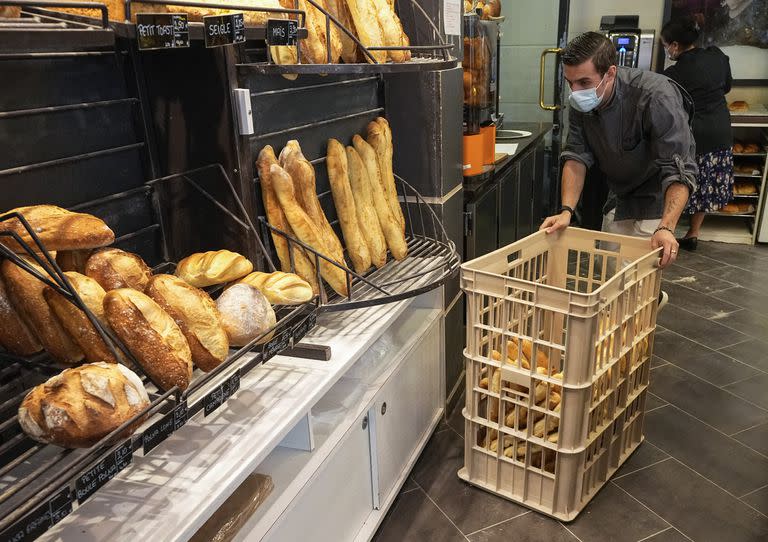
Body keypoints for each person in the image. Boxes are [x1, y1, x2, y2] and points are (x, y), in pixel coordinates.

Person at [540, 31, 698, 274]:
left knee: (639, 276)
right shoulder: (581, 102)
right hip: (621, 193)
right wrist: (566, 211)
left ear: (610, 73)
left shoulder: (656, 97)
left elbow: (678, 169)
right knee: (610, 268)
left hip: (658, 195)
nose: (576, 91)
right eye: (570, 82)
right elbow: (576, 157)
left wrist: (666, 227)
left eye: (583, 82)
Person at [662, 17, 734, 250]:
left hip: (695, 133)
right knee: (707, 184)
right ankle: (693, 232)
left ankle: (668, 230)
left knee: (686, 180)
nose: (666, 50)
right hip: (721, 129)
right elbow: (727, 87)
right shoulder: (716, 56)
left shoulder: (675, 73)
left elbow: (671, 107)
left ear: (674, 45)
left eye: (665, 45)